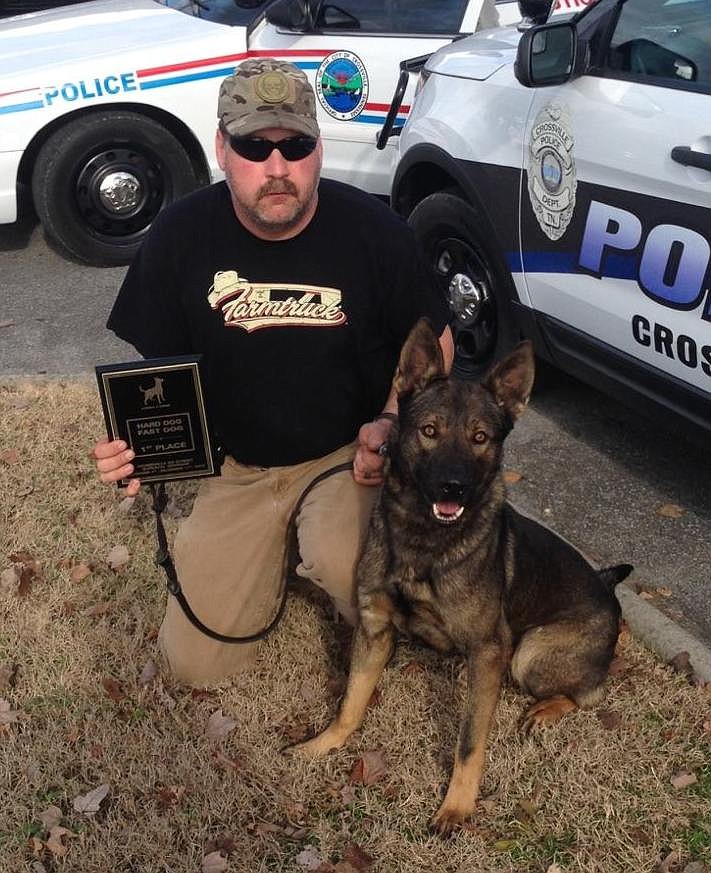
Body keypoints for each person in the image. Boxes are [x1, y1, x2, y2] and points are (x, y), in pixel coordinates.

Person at [93, 58, 453, 686]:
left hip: (347, 456)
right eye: (254, 147)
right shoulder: (179, 235)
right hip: (238, 467)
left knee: (357, 576)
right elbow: (155, 370)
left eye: (296, 146)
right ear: (221, 151)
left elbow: (439, 339)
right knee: (193, 667)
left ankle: (325, 545)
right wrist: (138, 449)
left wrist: (393, 423)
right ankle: (267, 546)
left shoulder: (375, 231)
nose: (278, 167)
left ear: (318, 148)